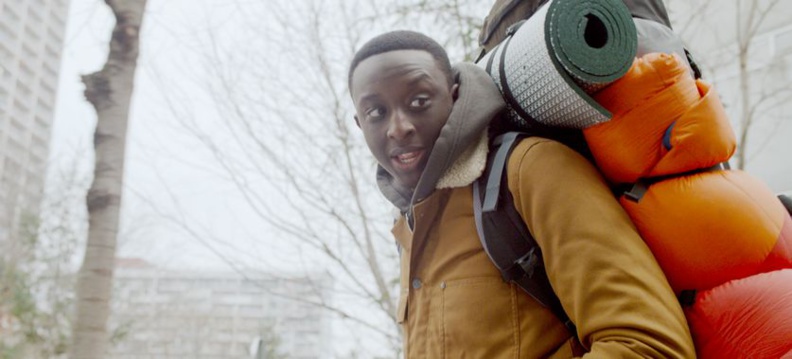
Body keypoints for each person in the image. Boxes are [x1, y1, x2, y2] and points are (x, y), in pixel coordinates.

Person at [347, 30, 695, 358]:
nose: (399, 127)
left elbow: (649, 346)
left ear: (453, 96)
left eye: (419, 101)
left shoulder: (529, 169)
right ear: (360, 124)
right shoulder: (411, 227)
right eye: (376, 112)